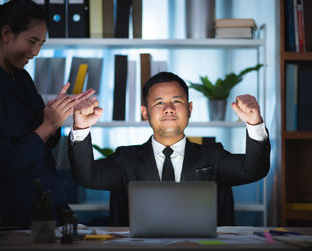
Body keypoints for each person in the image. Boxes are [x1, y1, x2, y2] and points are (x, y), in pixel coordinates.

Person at [69, 72, 271, 226]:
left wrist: (255, 124)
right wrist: (81, 128)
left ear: (190, 109)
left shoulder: (214, 155)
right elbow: (86, 177)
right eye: (159, 102)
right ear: (145, 113)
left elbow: (253, 170)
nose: (169, 108)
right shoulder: (125, 159)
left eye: (177, 101)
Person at [0, 0, 89, 227]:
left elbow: (44, 143)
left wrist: (56, 112)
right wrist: (48, 125)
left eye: (41, 44)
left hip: (46, 199)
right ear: (6, 33)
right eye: (32, 42)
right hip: (15, 212)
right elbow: (2, 164)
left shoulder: (20, 76)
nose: (36, 52)